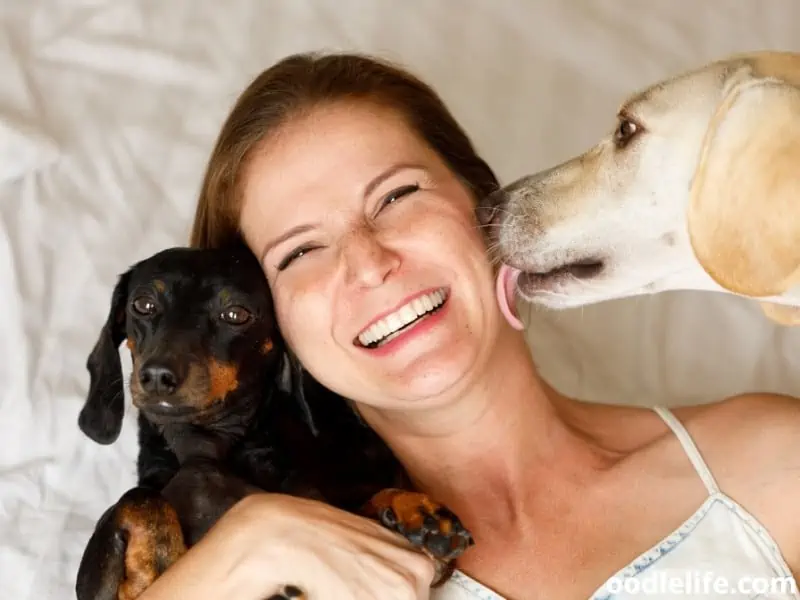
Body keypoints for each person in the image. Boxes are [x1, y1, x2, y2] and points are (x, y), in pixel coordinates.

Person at [139, 52, 800, 600]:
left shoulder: (770, 465)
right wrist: (249, 548)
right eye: (301, 252)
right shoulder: (262, 572)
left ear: (483, 201)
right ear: (266, 325)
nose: (370, 263)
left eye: (397, 196)